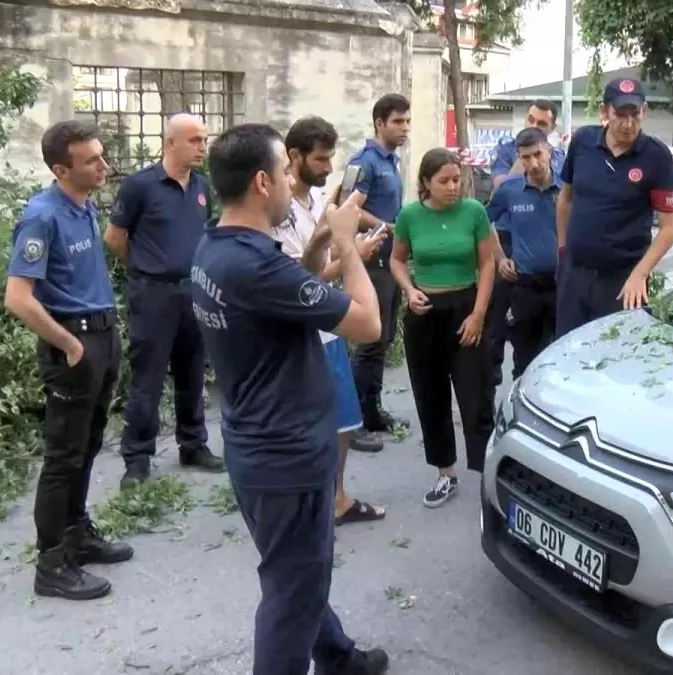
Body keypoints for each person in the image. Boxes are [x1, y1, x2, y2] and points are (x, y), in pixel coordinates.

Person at [191, 123, 389, 675]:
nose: (289, 181)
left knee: (296, 572)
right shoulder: (254, 264)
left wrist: (323, 238)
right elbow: (368, 323)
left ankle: (337, 657)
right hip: (288, 455)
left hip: (256, 443)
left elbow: (293, 289)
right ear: (261, 181)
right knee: (292, 592)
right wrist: (349, 247)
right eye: (283, 172)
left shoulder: (218, 246)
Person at [4, 120, 133, 601]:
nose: (104, 165)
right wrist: (71, 344)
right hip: (73, 346)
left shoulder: (82, 207)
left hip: (102, 337)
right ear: (62, 169)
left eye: (102, 155)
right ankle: (52, 562)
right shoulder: (42, 215)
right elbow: (18, 298)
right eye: (92, 160)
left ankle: (77, 533)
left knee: (89, 443)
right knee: (63, 456)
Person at [270, 116, 388, 526]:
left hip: (327, 325)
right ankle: (312, 504)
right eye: (320, 160)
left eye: (330, 159)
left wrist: (353, 248)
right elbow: (298, 281)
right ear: (294, 156)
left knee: (343, 422)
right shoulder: (279, 209)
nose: (326, 168)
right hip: (305, 330)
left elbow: (322, 264)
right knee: (316, 424)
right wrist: (345, 256)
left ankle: (335, 498)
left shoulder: (316, 201)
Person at [104, 112, 226, 488]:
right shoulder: (141, 185)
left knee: (192, 372)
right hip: (153, 293)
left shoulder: (202, 186)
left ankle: (193, 445)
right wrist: (145, 268)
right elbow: (114, 237)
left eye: (204, 140)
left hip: (193, 290)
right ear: (170, 142)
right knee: (149, 378)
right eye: (194, 140)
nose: (202, 147)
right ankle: (137, 458)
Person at [390, 148, 496, 509]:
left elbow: (488, 264)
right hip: (425, 313)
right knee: (430, 396)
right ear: (425, 183)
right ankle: (445, 474)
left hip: (466, 310)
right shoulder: (409, 216)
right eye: (444, 181)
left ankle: (487, 478)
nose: (453, 187)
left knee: (476, 395)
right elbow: (397, 260)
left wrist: (479, 314)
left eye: (457, 180)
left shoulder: (474, 212)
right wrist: (409, 289)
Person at [555, 77, 673, 337]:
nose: (628, 123)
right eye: (620, 115)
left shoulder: (656, 156)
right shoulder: (583, 142)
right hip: (575, 276)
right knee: (567, 353)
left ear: (644, 111)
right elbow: (564, 200)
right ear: (604, 112)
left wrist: (640, 274)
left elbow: (670, 228)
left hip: (623, 281)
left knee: (613, 359)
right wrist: (564, 251)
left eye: (635, 114)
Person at [344, 93, 411, 453]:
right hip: (369, 262)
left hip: (389, 260)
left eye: (406, 121)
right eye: (398, 122)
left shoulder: (392, 162)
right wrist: (386, 226)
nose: (404, 128)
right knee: (369, 342)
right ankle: (352, 422)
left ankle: (372, 411)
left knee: (382, 340)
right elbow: (347, 207)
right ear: (379, 124)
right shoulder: (364, 162)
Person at [485, 99, 566, 384]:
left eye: (537, 155)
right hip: (526, 286)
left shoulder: (567, 188)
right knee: (523, 359)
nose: (532, 163)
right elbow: (484, 220)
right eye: (525, 157)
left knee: (559, 356)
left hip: (561, 285)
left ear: (549, 150)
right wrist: (500, 257)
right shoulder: (510, 190)